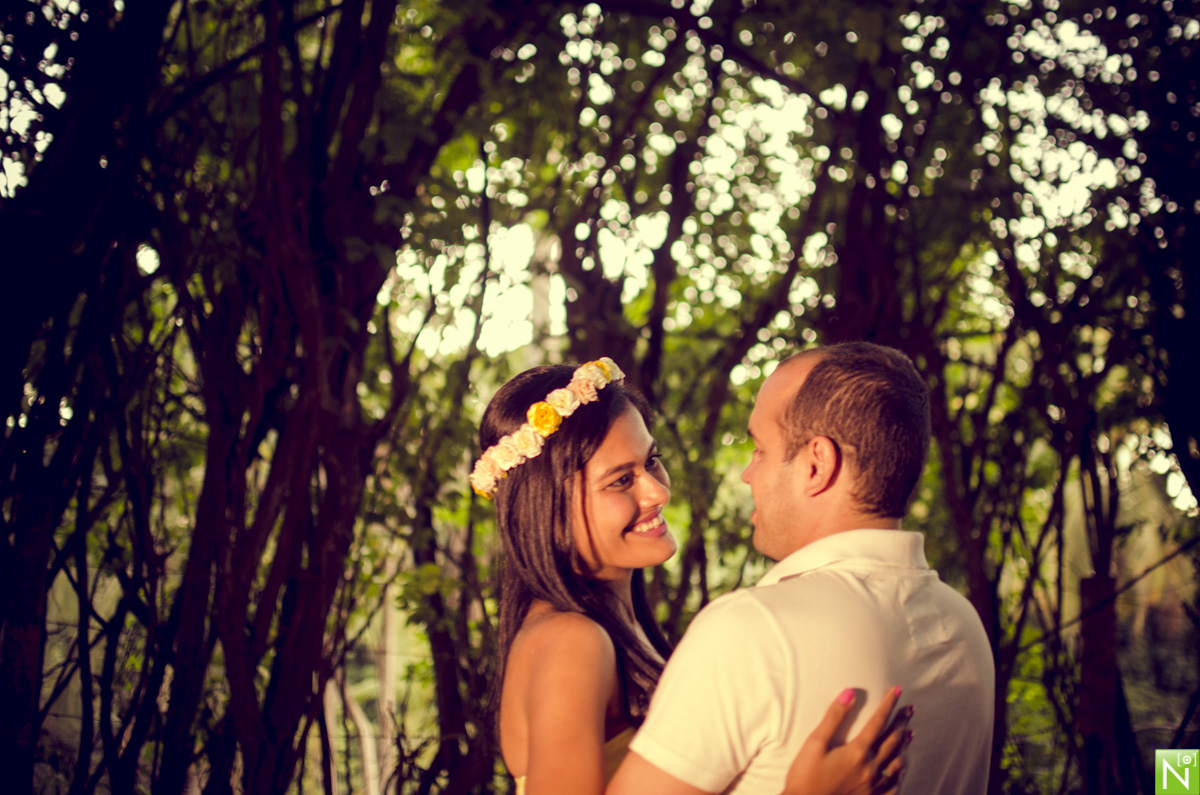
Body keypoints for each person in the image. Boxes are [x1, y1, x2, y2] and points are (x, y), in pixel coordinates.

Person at [472, 358, 911, 795]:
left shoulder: (608, 629)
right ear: (547, 510)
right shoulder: (572, 642)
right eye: (622, 481)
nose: (658, 491)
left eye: (652, 462)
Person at [608, 342, 995, 795]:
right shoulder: (964, 625)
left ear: (817, 464)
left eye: (760, 449)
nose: (747, 474)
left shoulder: (753, 631)